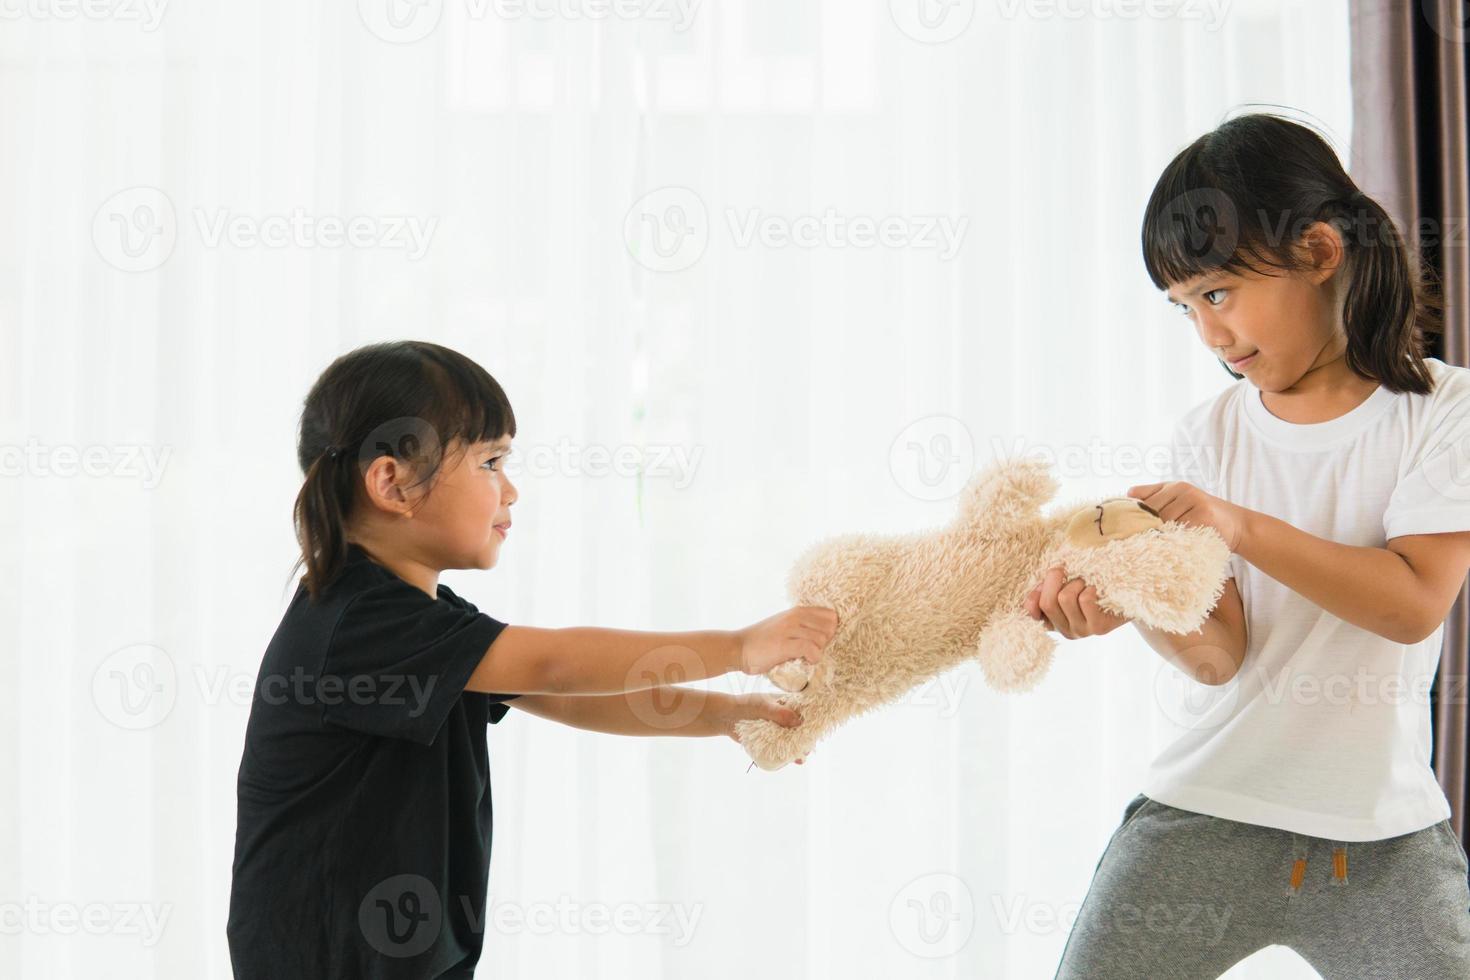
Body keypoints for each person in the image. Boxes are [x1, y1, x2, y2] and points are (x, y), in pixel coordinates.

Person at [226, 340, 836, 979]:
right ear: (392, 481)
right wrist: (738, 648)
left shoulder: (421, 623)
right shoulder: (359, 626)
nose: (511, 489)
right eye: (491, 461)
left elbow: (563, 695)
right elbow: (556, 666)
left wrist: (726, 716)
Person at [1042, 113, 1470, 978]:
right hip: (1205, 811)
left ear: (1317, 253)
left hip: (1382, 841)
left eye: (1219, 293)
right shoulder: (1207, 436)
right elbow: (1217, 655)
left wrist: (1238, 526)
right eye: (1185, 307)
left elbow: (1412, 604)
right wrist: (1128, 597)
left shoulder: (1443, 412)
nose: (1209, 333)